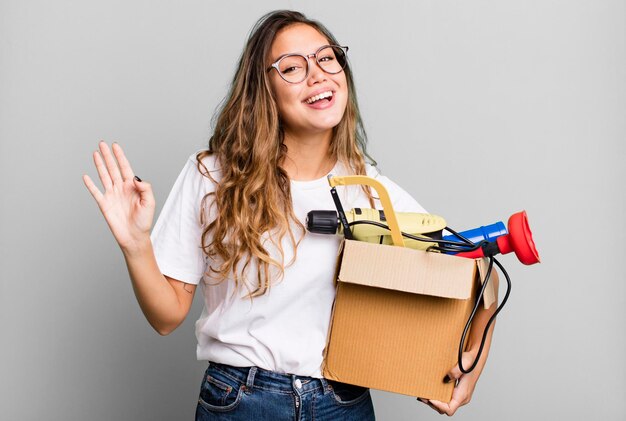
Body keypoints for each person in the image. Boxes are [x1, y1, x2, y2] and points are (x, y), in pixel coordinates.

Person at [83, 10, 498, 420]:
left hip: (343, 403)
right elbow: (167, 316)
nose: (318, 74)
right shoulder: (213, 176)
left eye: (326, 58)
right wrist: (136, 245)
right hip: (241, 400)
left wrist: (470, 369)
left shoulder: (369, 190)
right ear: (264, 90)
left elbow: (479, 269)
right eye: (292, 68)